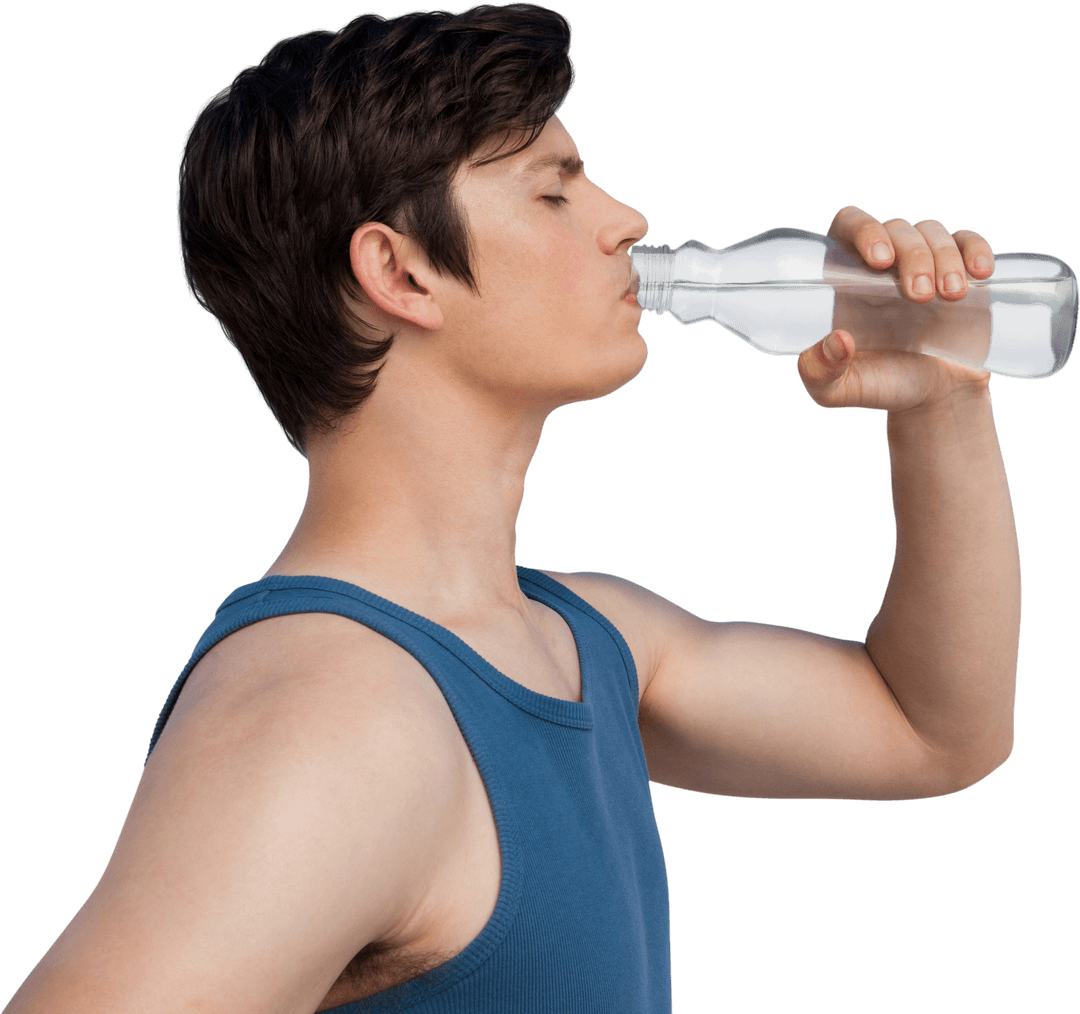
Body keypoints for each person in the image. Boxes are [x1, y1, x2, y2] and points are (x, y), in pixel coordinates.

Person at [3, 4, 1020, 1013]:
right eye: (554, 194)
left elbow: (930, 728)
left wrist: (941, 399)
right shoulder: (333, 716)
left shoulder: (590, 641)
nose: (625, 220)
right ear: (399, 272)